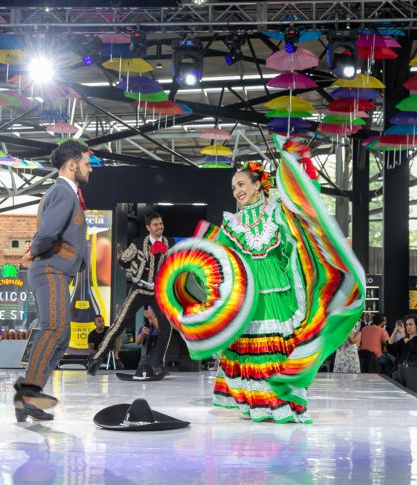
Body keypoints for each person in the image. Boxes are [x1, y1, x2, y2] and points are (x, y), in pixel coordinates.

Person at [155, 136, 365, 423]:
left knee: (276, 348)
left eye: (241, 184)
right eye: (233, 188)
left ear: (258, 184)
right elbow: (221, 263)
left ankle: (282, 403)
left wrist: (296, 164)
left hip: (278, 293)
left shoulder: (278, 212)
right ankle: (257, 405)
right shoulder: (230, 224)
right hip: (248, 296)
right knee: (249, 348)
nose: (237, 191)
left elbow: (302, 223)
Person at [15, 139, 91, 422]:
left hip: (56, 270)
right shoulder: (63, 191)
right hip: (51, 269)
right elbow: (48, 233)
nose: (90, 170)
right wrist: (33, 251)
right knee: (54, 330)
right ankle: (28, 396)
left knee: (62, 335)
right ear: (72, 165)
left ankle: (31, 396)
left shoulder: (65, 192)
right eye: (87, 164)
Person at [87, 212, 172, 376]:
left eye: (160, 223)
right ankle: (96, 359)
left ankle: (157, 364)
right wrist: (135, 270)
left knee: (166, 327)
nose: (159, 227)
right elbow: (123, 260)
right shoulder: (138, 243)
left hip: (157, 291)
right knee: (118, 324)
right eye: (155, 224)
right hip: (139, 289)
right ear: (148, 227)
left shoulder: (168, 243)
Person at [386, 315, 417, 383]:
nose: (408, 327)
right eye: (406, 324)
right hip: (399, 372)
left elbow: (411, 347)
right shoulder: (403, 341)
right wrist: (394, 332)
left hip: (411, 374)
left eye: (410, 324)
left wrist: (404, 336)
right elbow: (390, 348)